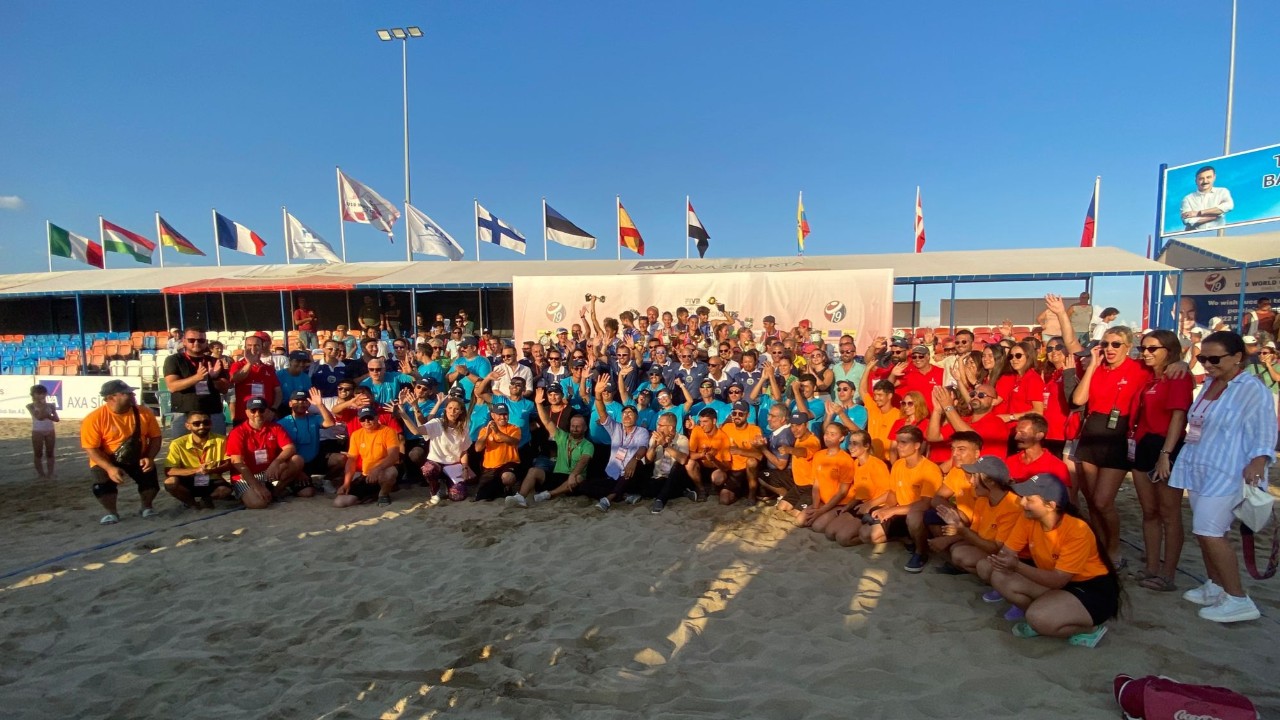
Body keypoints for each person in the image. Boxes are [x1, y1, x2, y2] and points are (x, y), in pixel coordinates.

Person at [1170, 331, 1275, 623]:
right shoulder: (1210, 383)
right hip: (1201, 464)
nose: (1207, 364)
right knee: (1205, 530)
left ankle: (1238, 598)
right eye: (1203, 358)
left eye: (1214, 359)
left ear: (1237, 357)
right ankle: (1216, 585)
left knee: (1209, 530)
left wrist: (1259, 460)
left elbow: (1265, 429)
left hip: (1230, 469)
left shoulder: (1251, 389)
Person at [978, 474, 1118, 648]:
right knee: (998, 576)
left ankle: (1090, 629)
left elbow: (1059, 580)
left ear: (1050, 505)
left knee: (1038, 617)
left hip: (1089, 588)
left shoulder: (1077, 530)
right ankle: (1045, 616)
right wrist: (1004, 561)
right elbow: (1007, 552)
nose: (1022, 503)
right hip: (1056, 580)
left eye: (1029, 499)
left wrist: (1016, 566)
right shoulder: (1029, 518)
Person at [1072, 326, 1148, 565]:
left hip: (1119, 435)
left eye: (1116, 344)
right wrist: (1092, 366)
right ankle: (1100, 547)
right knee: (1092, 501)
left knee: (1103, 501)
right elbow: (1078, 399)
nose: (1109, 349)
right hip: (1092, 431)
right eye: (1105, 344)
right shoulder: (1097, 368)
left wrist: (1180, 365)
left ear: (1128, 347)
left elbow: (1168, 364)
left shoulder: (1139, 369)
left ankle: (1114, 548)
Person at [1129, 329, 1194, 593]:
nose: (1146, 353)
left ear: (1169, 350)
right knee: (1149, 511)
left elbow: (1179, 416)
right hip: (1142, 444)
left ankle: (1168, 574)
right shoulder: (1149, 375)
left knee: (1169, 513)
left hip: (1166, 445)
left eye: (1153, 348)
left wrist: (1165, 454)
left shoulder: (1177, 376)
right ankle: (1152, 567)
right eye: (1143, 348)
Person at [859, 426, 942, 570]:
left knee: (914, 517)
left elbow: (925, 504)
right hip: (900, 512)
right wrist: (887, 508)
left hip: (919, 515)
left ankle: (920, 552)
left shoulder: (930, 469)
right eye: (898, 442)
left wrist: (892, 511)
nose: (899, 446)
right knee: (866, 535)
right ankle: (906, 537)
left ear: (917, 445)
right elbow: (893, 493)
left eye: (904, 442)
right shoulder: (898, 464)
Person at [82, 380, 163, 524]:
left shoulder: (144, 413)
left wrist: (150, 457)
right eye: (127, 393)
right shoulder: (94, 418)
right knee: (102, 487)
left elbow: (156, 437)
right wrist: (109, 468)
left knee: (150, 483)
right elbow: (91, 448)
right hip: (106, 457)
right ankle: (111, 512)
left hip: (137, 455)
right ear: (111, 397)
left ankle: (146, 507)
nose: (132, 395)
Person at [931, 455, 1026, 576]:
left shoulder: (1012, 506)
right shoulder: (983, 499)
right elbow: (974, 531)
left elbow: (996, 548)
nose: (971, 481)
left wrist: (960, 529)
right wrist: (952, 536)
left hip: (1011, 556)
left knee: (962, 556)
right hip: (988, 546)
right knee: (956, 549)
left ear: (990, 482)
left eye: (975, 476)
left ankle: (1001, 576)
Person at [510, 388, 594, 507]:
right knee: (533, 470)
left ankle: (548, 494)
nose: (575, 429)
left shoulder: (588, 445)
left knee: (579, 478)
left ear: (585, 428)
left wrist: (573, 474)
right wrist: (539, 404)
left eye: (578, 426)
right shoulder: (563, 437)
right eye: (572, 426)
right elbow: (547, 422)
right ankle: (520, 497)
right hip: (557, 475)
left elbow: (583, 461)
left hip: (572, 481)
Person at [226, 396, 308, 506]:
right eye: (253, 410)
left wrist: (276, 462)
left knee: (297, 459)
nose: (257, 414)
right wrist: (257, 486)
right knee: (258, 504)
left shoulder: (275, 427)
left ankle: (275, 492)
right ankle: (259, 491)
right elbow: (237, 462)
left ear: (268, 411)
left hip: (268, 471)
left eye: (261, 410)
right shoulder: (237, 432)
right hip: (245, 476)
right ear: (246, 412)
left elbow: (290, 448)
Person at [822, 429, 891, 546]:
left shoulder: (877, 465)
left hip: (876, 506)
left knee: (843, 539)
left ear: (866, 446)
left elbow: (889, 493)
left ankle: (874, 536)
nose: (851, 447)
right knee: (829, 533)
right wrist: (849, 506)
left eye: (855, 443)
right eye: (850, 443)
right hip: (861, 504)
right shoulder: (856, 463)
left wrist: (868, 505)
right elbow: (859, 493)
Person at [401, 396, 472, 503]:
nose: (452, 411)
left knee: (457, 496)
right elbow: (416, 431)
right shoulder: (437, 423)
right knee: (428, 469)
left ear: (461, 411)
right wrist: (403, 414)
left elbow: (464, 451)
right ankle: (435, 490)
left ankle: (448, 484)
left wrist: (465, 468)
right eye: (450, 408)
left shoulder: (463, 428)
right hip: (436, 463)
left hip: (453, 465)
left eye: (456, 409)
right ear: (445, 409)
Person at [163, 326, 228, 437]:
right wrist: (197, 378)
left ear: (206, 342)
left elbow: (225, 388)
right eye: (191, 340)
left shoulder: (215, 361)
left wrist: (210, 378)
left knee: (217, 446)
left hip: (212, 413)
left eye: (201, 340)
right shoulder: (174, 360)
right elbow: (172, 386)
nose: (196, 343)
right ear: (184, 341)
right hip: (184, 414)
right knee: (182, 447)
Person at [163, 411, 232, 509]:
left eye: (206, 422)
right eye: (196, 423)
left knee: (225, 490)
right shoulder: (177, 444)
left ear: (211, 424)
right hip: (188, 479)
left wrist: (211, 471)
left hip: (212, 478)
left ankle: (207, 500)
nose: (202, 426)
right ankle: (192, 504)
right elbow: (169, 470)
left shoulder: (221, 440)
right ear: (188, 426)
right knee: (170, 482)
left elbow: (230, 463)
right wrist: (196, 470)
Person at [335, 406, 401, 507]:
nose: (366, 421)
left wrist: (377, 469)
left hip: (383, 470)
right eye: (363, 419)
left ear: (377, 417)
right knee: (339, 502)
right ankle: (371, 495)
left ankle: (383, 494)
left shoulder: (388, 431)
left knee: (390, 473)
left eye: (370, 418)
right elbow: (352, 459)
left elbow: (394, 456)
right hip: (366, 474)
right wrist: (346, 483)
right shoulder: (356, 435)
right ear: (359, 420)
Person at [277, 388, 344, 485]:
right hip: (295, 462)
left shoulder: (314, 418)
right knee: (307, 492)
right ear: (290, 404)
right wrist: (298, 471)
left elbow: (330, 423)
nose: (301, 403)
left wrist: (320, 405)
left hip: (314, 459)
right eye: (297, 400)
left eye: (304, 401)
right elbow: (280, 451)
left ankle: (325, 481)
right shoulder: (281, 424)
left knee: (341, 459)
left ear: (309, 404)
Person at [637, 411, 694, 514]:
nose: (658, 427)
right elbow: (648, 461)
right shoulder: (654, 438)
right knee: (647, 491)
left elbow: (682, 460)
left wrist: (664, 445)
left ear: (670, 428)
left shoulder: (682, 439)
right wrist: (653, 446)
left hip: (674, 476)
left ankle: (660, 500)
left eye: (661, 425)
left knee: (677, 466)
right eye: (657, 424)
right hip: (659, 477)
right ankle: (681, 491)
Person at [229, 333, 282, 425]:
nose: (253, 348)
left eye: (256, 345)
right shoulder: (237, 365)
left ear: (262, 348)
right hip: (243, 417)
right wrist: (250, 363)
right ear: (245, 348)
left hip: (265, 416)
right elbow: (235, 379)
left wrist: (273, 409)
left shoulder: (268, 369)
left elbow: (278, 392)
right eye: (249, 345)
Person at [473, 402, 522, 502]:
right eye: (499, 414)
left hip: (509, 464)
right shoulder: (484, 430)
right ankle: (500, 489)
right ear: (493, 415)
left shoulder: (514, 428)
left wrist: (497, 432)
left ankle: (508, 487)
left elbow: (514, 442)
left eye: (505, 414)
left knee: (507, 477)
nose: (503, 417)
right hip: (490, 468)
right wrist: (486, 434)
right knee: (481, 497)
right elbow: (478, 448)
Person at [1005, 414, 1069, 484]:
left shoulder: (1056, 467)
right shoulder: (1010, 461)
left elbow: (1064, 491)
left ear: (1039, 436)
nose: (1016, 437)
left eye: (1023, 433)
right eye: (1016, 433)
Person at [1179, 165, 1234, 232]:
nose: (1205, 181)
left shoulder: (1222, 192)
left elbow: (1228, 206)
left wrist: (1198, 213)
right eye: (1201, 179)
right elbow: (1187, 220)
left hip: (1218, 234)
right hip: (1196, 236)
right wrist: (1214, 215)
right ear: (1196, 181)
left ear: (1214, 177)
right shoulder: (1188, 199)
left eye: (1208, 177)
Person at [27, 384, 59, 479]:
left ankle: (50, 473)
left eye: (43, 393)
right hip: (37, 431)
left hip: (50, 429)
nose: (42, 395)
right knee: (38, 453)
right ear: (33, 395)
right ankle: (41, 474)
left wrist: (48, 414)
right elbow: (39, 417)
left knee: (50, 452)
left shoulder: (51, 405)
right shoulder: (30, 406)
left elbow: (56, 419)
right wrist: (45, 408)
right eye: (39, 393)